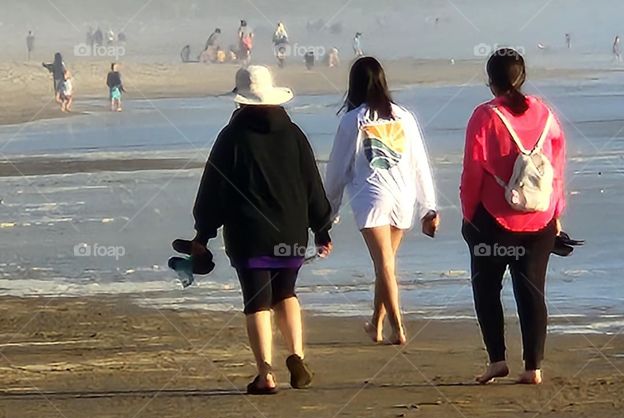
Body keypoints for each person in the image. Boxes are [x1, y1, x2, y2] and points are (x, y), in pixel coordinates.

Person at [190, 65, 333, 395]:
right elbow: (312, 183)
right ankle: (296, 355)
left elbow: (214, 188)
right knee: (286, 294)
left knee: (257, 300)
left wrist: (203, 232)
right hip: (291, 231)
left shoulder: (232, 137)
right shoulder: (294, 134)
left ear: (241, 101)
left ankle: (265, 374)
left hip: (249, 234)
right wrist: (322, 227)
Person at [461, 48, 567, 386]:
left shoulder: (484, 116)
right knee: (532, 291)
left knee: (487, 288)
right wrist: (557, 211)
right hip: (540, 220)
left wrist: (468, 216)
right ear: (522, 77)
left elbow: (472, 173)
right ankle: (533, 367)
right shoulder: (546, 114)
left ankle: (496, 361)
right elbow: (557, 168)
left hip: (494, 221)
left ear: (491, 81)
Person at [324, 57, 439, 346]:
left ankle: (398, 328)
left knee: (385, 265)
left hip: (371, 198)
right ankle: (376, 324)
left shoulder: (353, 120)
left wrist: (327, 215)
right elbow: (419, 164)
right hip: (404, 198)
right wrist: (428, 206)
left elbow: (338, 170)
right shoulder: (405, 117)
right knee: (384, 264)